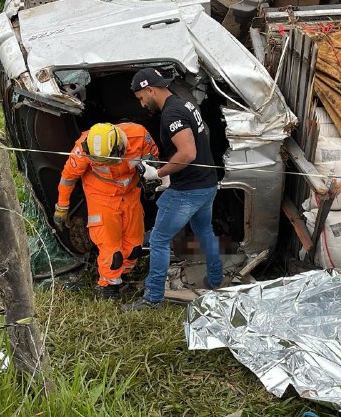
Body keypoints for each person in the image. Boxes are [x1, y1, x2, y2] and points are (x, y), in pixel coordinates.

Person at [122, 68, 222, 312]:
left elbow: (188, 152)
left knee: (158, 240)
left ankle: (152, 298)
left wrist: (159, 173)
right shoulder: (185, 104)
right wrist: (171, 177)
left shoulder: (171, 114)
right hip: (207, 183)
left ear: (150, 90)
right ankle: (216, 279)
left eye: (141, 98)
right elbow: (196, 145)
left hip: (189, 190)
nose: (143, 104)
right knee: (204, 230)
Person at [53, 121, 160, 298]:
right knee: (112, 251)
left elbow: (155, 158)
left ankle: (123, 278)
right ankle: (108, 287)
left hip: (131, 195)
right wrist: (62, 206)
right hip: (101, 198)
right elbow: (68, 178)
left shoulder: (139, 136)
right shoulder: (83, 148)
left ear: (119, 148)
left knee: (134, 245)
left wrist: (152, 173)